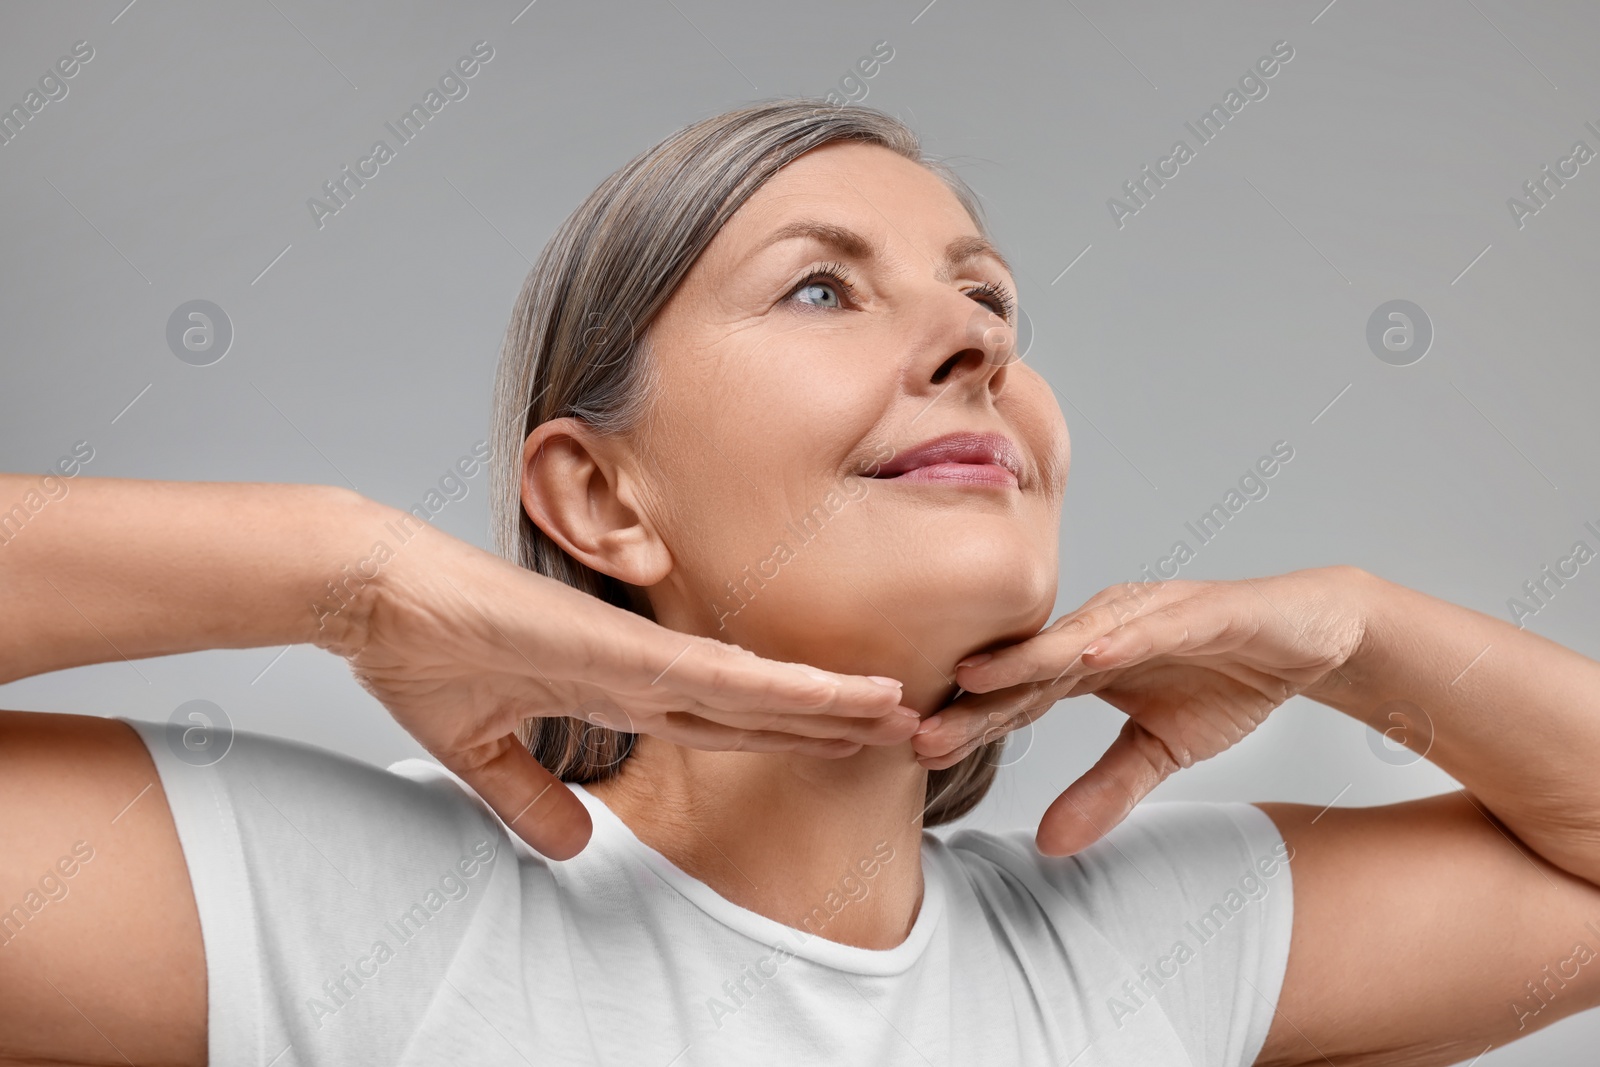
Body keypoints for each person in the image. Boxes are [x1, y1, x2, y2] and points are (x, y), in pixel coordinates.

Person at [3, 99, 1598, 1067]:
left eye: (991, 301)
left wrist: (1357, 631)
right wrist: (337, 575)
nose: (979, 341)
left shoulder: (1130, 958)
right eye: (823, 286)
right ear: (600, 496)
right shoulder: (344, 914)